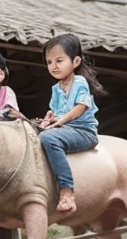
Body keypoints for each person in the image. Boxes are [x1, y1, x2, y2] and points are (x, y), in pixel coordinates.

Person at [39, 33, 107, 215]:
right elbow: (55, 111)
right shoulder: (56, 88)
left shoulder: (80, 82)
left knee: (48, 139)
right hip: (66, 128)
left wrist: (60, 121)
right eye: (49, 62)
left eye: (59, 60)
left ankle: (67, 190)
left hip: (84, 131)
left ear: (75, 61)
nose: (54, 66)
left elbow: (80, 107)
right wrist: (49, 117)